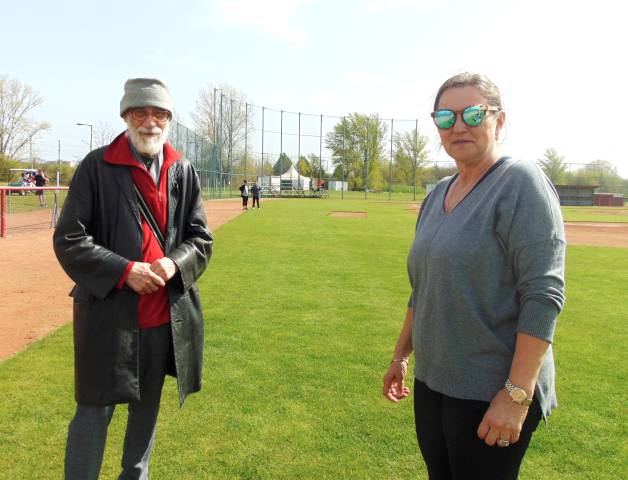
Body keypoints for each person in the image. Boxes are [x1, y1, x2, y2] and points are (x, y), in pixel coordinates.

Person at [382, 72, 566, 480]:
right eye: (446, 117)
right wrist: (401, 356)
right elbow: (422, 290)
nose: (458, 126)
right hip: (434, 382)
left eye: (472, 114)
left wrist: (516, 395)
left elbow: (543, 295)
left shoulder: (520, 183)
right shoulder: (437, 194)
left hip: (491, 389)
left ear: (499, 121)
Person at [53, 78, 213, 480]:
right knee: (93, 414)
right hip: (107, 318)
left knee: (145, 416)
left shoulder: (182, 169)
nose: (150, 122)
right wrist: (125, 271)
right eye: (140, 112)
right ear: (125, 116)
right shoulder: (96, 166)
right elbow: (69, 239)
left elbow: (200, 239)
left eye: (159, 113)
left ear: (169, 119)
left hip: (161, 319)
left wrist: (174, 263)